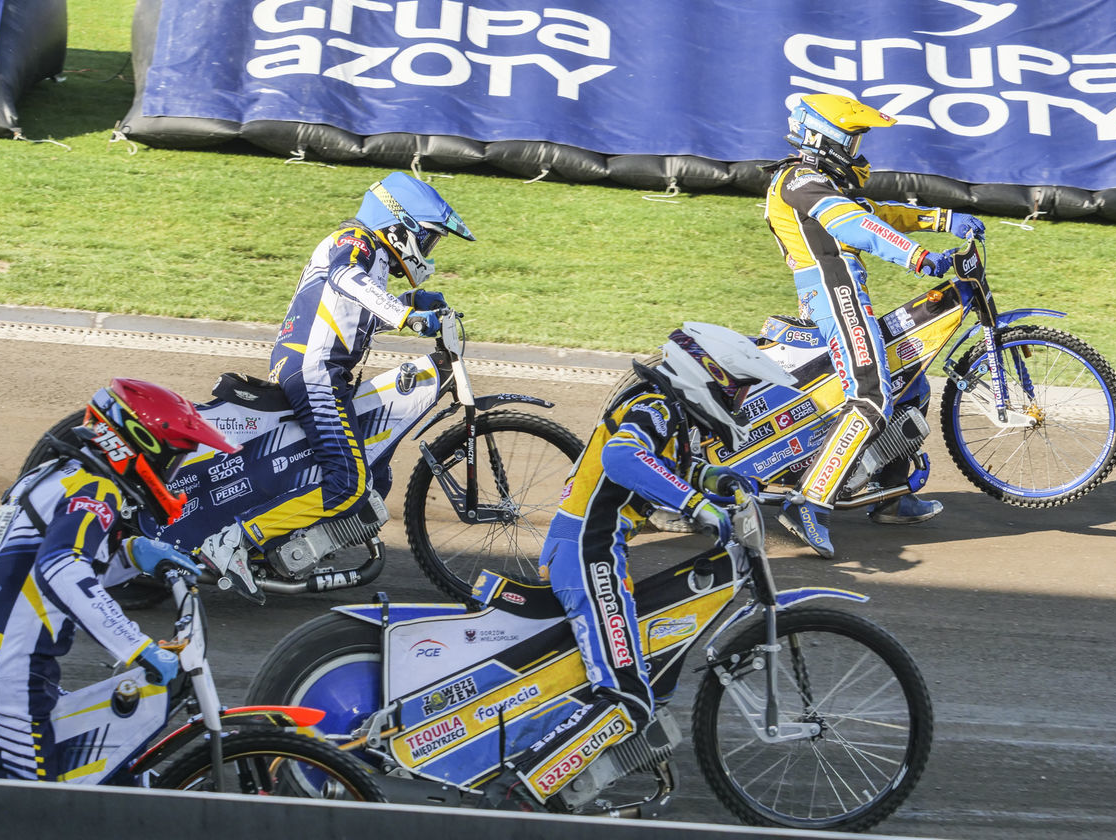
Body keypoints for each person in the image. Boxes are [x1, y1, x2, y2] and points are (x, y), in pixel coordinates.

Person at [481, 326, 737, 809]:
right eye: (735, 389)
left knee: (632, 681)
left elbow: (661, 468)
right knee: (626, 698)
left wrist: (717, 482)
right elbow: (623, 457)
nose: (737, 401)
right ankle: (515, 796)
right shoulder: (658, 407)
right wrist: (695, 504)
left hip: (583, 547)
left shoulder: (665, 411)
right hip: (589, 551)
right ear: (708, 376)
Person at [196, 172, 474, 599]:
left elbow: (351, 312)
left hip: (315, 369)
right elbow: (346, 278)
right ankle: (234, 540)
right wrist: (404, 316)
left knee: (372, 474)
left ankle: (283, 546)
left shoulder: (372, 258)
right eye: (428, 238)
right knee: (348, 483)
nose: (429, 250)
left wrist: (410, 304)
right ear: (400, 227)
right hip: (315, 372)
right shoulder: (356, 241)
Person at [0, 379, 239, 780]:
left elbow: (47, 567)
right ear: (142, 446)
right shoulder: (94, 489)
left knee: (100, 776)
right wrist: (138, 647)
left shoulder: (58, 474)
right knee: (31, 807)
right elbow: (61, 568)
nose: (172, 473)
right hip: (7, 676)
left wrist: (129, 556)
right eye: (173, 459)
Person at [762, 93, 986, 558]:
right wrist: (919, 257)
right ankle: (809, 504)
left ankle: (891, 494)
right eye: (852, 139)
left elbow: (878, 213)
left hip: (841, 293)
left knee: (912, 381)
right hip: (835, 294)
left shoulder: (821, 181)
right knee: (871, 396)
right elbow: (855, 226)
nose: (857, 149)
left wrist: (944, 218)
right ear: (823, 137)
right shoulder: (801, 180)